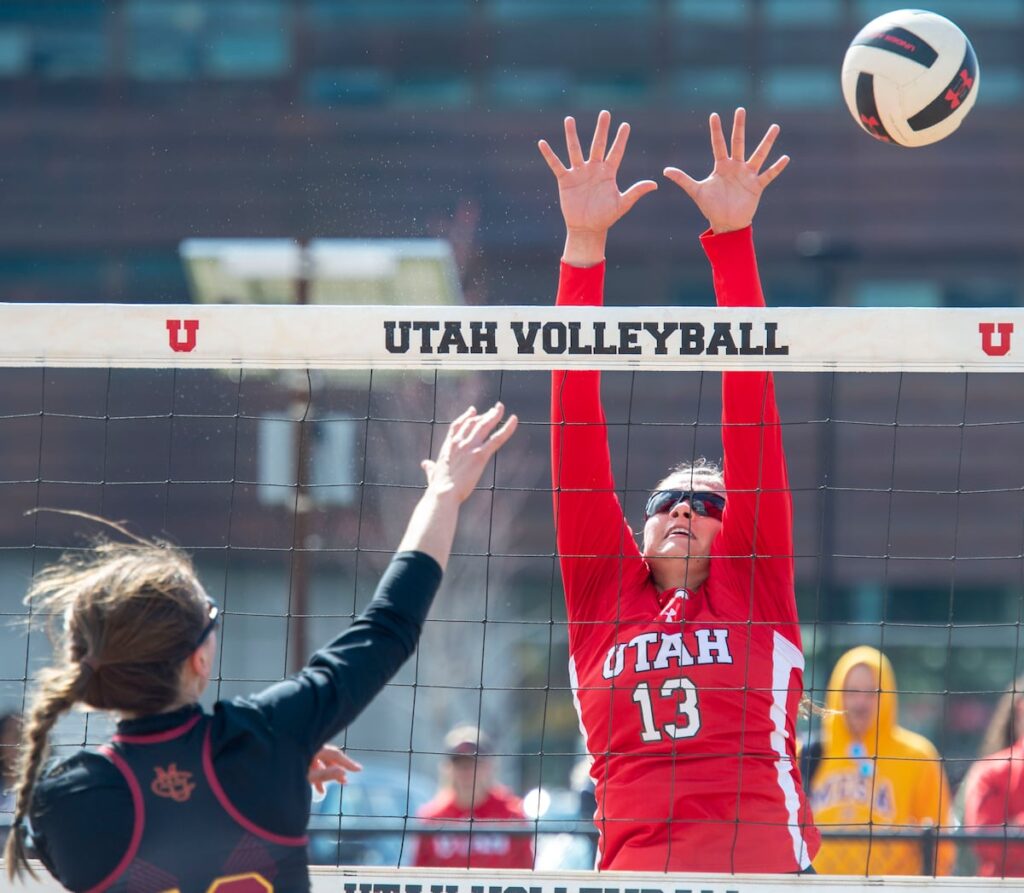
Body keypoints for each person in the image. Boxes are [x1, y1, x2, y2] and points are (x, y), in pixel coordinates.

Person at [4, 402, 517, 891]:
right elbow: (388, 626)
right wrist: (442, 495)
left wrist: (274, 765)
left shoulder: (69, 798)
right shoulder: (261, 742)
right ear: (199, 659)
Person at [542, 108, 819, 873]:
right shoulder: (605, 598)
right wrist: (583, 246)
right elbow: (574, 429)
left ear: (738, 530)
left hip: (767, 879)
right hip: (636, 880)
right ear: (640, 532)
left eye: (709, 502)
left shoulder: (755, 585)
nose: (686, 507)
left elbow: (751, 406)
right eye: (666, 501)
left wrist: (733, 239)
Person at [805, 646, 955, 875]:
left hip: (891, 887)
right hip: (817, 886)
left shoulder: (918, 756)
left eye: (871, 693)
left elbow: (941, 843)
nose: (860, 703)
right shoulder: (806, 752)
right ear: (836, 694)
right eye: (851, 692)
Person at [411, 724, 533, 869]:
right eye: (460, 765)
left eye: (474, 765)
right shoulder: (432, 818)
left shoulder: (512, 815)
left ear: (489, 767)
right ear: (448, 769)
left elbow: (527, 872)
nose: (467, 773)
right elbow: (419, 873)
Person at [962, 674, 1024, 876]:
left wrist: (1016, 825)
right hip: (1003, 886)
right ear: (1021, 709)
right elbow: (987, 843)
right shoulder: (991, 772)